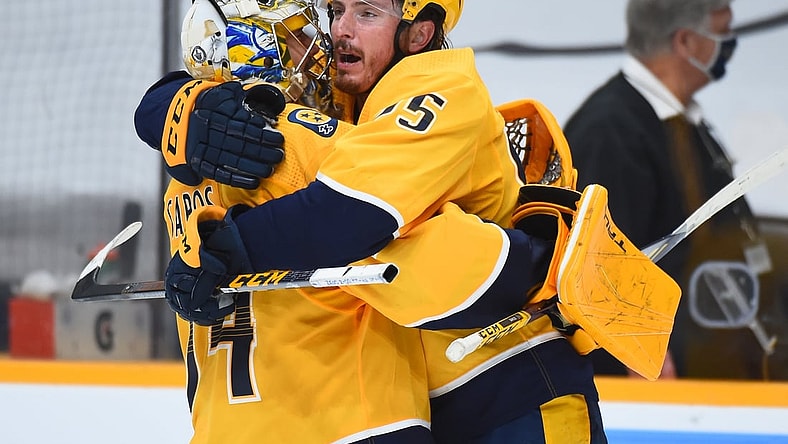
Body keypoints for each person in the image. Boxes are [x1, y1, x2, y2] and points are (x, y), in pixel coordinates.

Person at [138, 0, 608, 442]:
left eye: (366, 13)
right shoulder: (345, 105)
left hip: (516, 384)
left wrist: (223, 251)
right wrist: (180, 105)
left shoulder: (445, 87)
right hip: (435, 397)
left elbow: (351, 214)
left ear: (419, 33)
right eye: (337, 10)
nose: (340, 29)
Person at [564, 0, 769, 379]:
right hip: (665, 381)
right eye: (723, 33)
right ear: (686, 42)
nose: (731, 43)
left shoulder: (684, 122)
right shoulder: (609, 131)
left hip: (718, 353)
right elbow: (598, 266)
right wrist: (642, 355)